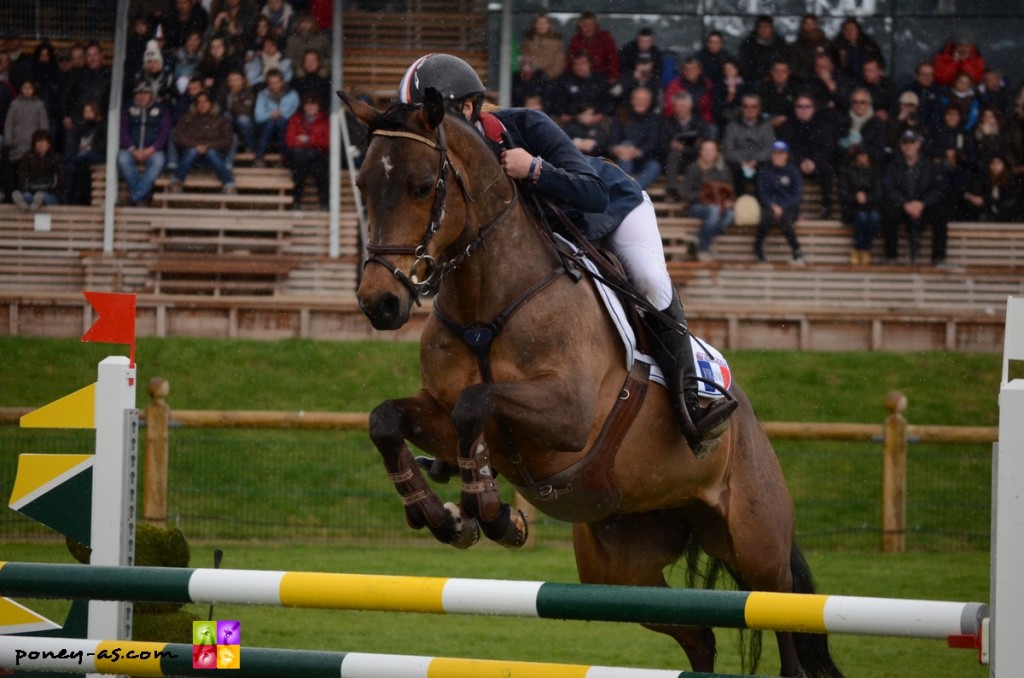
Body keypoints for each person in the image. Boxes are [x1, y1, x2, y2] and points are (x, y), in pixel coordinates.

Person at [394, 53, 737, 456]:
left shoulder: (526, 125)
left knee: (646, 278)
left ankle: (691, 401)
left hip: (613, 209)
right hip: (555, 232)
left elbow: (593, 194)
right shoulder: (454, 166)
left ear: (467, 108)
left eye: (430, 117)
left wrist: (535, 168)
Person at [883, 129, 949, 266]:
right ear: (900, 146)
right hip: (902, 207)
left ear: (918, 144)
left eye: (911, 143)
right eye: (905, 143)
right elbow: (889, 189)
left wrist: (922, 204)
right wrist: (905, 204)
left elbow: (937, 189)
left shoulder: (930, 166)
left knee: (940, 214)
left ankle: (938, 258)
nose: (908, 146)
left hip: (923, 207)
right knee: (889, 213)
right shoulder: (893, 166)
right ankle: (890, 257)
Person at [779, 94, 836, 218]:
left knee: (827, 170)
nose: (803, 110)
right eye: (800, 106)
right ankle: (793, 209)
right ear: (795, 109)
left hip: (816, 164)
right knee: (786, 169)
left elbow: (828, 147)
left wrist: (813, 161)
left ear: (813, 109)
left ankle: (826, 208)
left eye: (807, 106)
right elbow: (785, 149)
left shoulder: (822, 125)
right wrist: (801, 161)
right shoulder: (788, 126)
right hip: (796, 164)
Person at [168, 89, 236, 194]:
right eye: (199, 102)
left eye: (205, 102)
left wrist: (207, 146)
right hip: (191, 159)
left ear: (211, 104)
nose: (202, 105)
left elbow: (228, 140)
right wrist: (197, 146)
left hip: (214, 159)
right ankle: (176, 181)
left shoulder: (221, 119)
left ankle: (229, 184)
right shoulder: (188, 117)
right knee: (193, 151)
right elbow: (177, 135)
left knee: (211, 152)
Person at [117, 82, 172, 206]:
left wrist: (152, 149)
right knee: (122, 158)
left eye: (145, 93)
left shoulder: (161, 109)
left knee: (159, 161)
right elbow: (122, 130)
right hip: (132, 150)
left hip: (153, 151)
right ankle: (142, 197)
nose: (142, 96)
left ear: (151, 94)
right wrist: (132, 149)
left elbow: (165, 131)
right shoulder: (128, 108)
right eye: (139, 93)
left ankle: (135, 197)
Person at [681, 139, 735, 261]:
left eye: (711, 150)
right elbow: (684, 193)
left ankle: (699, 237)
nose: (708, 153)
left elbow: (730, 191)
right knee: (714, 211)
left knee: (730, 215)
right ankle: (703, 249)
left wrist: (727, 201)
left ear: (716, 152)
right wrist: (703, 196)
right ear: (700, 152)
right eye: (705, 150)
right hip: (697, 207)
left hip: (719, 205)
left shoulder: (723, 170)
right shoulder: (694, 168)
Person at [754, 140, 804, 264]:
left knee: (786, 222)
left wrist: (782, 206)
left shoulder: (793, 171)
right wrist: (772, 205)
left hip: (789, 206)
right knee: (766, 219)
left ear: (786, 155)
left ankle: (796, 250)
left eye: (781, 153)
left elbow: (797, 195)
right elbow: (762, 192)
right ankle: (758, 247)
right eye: (775, 153)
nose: (778, 156)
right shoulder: (765, 170)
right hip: (770, 205)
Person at [606, 86, 662, 189]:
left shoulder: (654, 119)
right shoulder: (622, 115)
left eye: (644, 100)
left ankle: (631, 190)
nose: (640, 102)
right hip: (622, 159)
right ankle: (627, 189)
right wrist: (617, 149)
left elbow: (653, 143)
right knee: (627, 144)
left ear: (649, 102)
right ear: (632, 100)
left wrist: (636, 152)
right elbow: (611, 141)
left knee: (655, 166)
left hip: (643, 159)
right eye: (638, 99)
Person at [661, 90, 712, 201]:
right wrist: (672, 145)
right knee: (673, 155)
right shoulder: (667, 123)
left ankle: (693, 195)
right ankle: (672, 191)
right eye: (677, 106)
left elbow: (706, 146)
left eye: (683, 105)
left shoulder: (700, 123)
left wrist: (684, 148)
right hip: (675, 162)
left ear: (690, 106)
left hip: (695, 159)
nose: (680, 109)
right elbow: (662, 145)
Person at [284, 91, 329, 210]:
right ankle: (297, 202)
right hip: (301, 156)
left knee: (321, 171)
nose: (310, 107)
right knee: (299, 169)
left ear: (318, 106)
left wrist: (308, 140)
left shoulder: (325, 120)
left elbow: (327, 142)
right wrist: (312, 142)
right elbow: (290, 141)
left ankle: (324, 203)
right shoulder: (296, 119)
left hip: (318, 156)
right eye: (307, 104)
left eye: (313, 104)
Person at [722, 92, 773, 196]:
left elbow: (769, 148)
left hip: (758, 162)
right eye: (746, 106)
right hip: (738, 163)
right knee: (733, 169)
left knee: (765, 170)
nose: (750, 109)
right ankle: (740, 204)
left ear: (759, 109)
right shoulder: (732, 126)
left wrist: (755, 160)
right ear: (742, 108)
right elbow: (728, 149)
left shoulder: (766, 126)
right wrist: (742, 162)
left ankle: (761, 206)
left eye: (754, 106)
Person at [838, 145, 883, 264]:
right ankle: (858, 248)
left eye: (865, 155)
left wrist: (867, 198)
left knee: (874, 217)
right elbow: (843, 193)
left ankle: (865, 249)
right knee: (862, 217)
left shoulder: (875, 172)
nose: (863, 158)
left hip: (870, 206)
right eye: (860, 155)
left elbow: (879, 193)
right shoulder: (847, 171)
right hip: (852, 207)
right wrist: (855, 197)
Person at [253, 68, 298, 166]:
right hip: (267, 127)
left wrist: (282, 114)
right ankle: (259, 158)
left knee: (281, 122)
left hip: (286, 127)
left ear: (282, 82)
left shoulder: (292, 94)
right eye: (271, 83)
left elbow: (295, 113)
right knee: (271, 122)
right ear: (267, 83)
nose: (274, 85)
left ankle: (283, 158)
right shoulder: (262, 95)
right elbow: (258, 116)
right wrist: (271, 114)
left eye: (277, 82)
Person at [63, 99, 106, 204]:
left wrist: (90, 148)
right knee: (69, 164)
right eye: (85, 112)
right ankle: (67, 197)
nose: (86, 114)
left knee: (77, 160)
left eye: (89, 111)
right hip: (81, 155)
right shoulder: (82, 126)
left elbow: (104, 145)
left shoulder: (102, 126)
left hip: (97, 154)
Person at [12, 129, 62, 211]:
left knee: (43, 196)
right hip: (31, 191)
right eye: (38, 141)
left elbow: (59, 181)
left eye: (43, 141)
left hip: (49, 194)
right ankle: (27, 203)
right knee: (27, 195)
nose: (40, 144)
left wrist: (48, 188)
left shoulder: (56, 158)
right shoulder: (27, 157)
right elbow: (22, 177)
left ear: (49, 144)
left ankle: (34, 202)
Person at [836, 88, 888, 165]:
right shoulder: (843, 122)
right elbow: (835, 148)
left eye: (863, 102)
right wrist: (850, 150)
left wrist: (862, 149)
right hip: (847, 167)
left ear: (869, 104)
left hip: (871, 168)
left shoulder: (877, 124)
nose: (859, 105)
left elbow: (880, 151)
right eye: (855, 102)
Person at [963, 155, 1022, 222]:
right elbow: (975, 195)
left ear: (1004, 165)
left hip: (1008, 215)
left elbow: (1007, 199)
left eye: (998, 163)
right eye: (992, 163)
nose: (995, 166)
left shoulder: (1011, 180)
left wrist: (987, 200)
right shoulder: (983, 180)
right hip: (988, 214)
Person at [565, 11, 619, 83]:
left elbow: (613, 60)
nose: (587, 28)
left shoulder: (605, 38)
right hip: (580, 80)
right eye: (584, 25)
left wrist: (613, 77)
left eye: (590, 25)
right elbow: (570, 64)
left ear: (595, 26)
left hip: (602, 78)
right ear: (580, 27)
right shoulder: (575, 41)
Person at [737, 15, 790, 84]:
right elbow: (745, 66)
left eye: (767, 27)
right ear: (757, 29)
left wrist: (772, 75)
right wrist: (760, 77)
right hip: (754, 80)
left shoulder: (780, 44)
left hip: (777, 80)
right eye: (761, 27)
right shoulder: (748, 45)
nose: (764, 30)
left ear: (772, 29)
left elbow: (785, 63)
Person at [831, 18, 884, 83]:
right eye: (846, 29)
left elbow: (879, 62)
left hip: (868, 80)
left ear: (858, 30)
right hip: (847, 82)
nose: (849, 32)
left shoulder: (868, 44)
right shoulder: (837, 47)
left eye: (852, 29)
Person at [518, 12, 564, 82]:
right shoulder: (527, 42)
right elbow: (524, 60)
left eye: (544, 23)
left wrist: (547, 75)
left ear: (549, 25)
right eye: (539, 23)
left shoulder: (557, 43)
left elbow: (559, 63)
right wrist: (531, 74)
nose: (541, 26)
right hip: (530, 79)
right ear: (534, 25)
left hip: (550, 81)